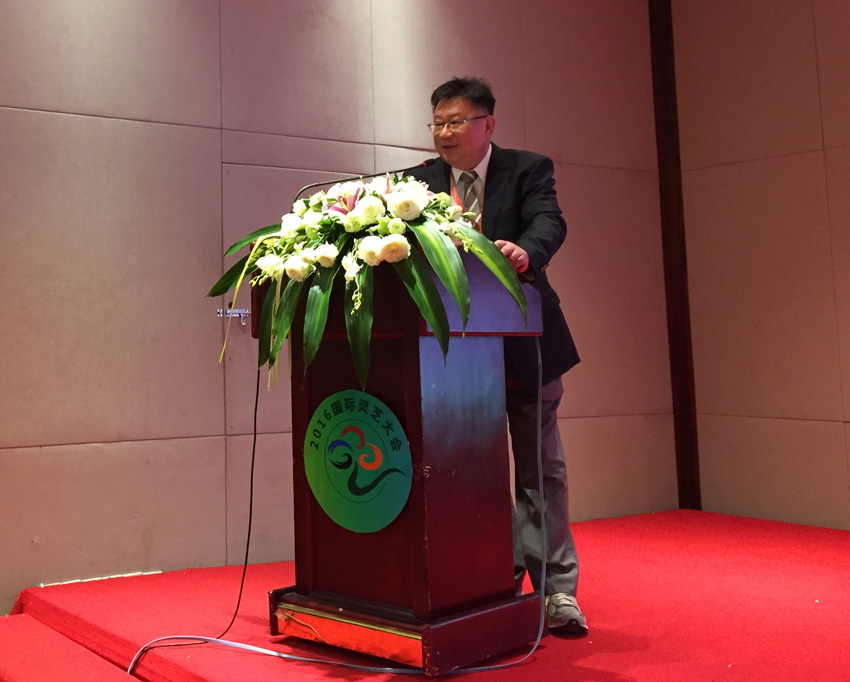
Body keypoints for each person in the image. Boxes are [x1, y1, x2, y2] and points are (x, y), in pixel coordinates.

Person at [408, 76, 586, 634]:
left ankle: (556, 593)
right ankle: (488, 578)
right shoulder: (416, 183)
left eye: (455, 122)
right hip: (451, 359)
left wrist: (524, 252)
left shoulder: (527, 169)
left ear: (487, 124)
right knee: (469, 473)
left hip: (525, 342)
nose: (444, 133)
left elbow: (549, 223)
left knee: (540, 471)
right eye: (437, 123)